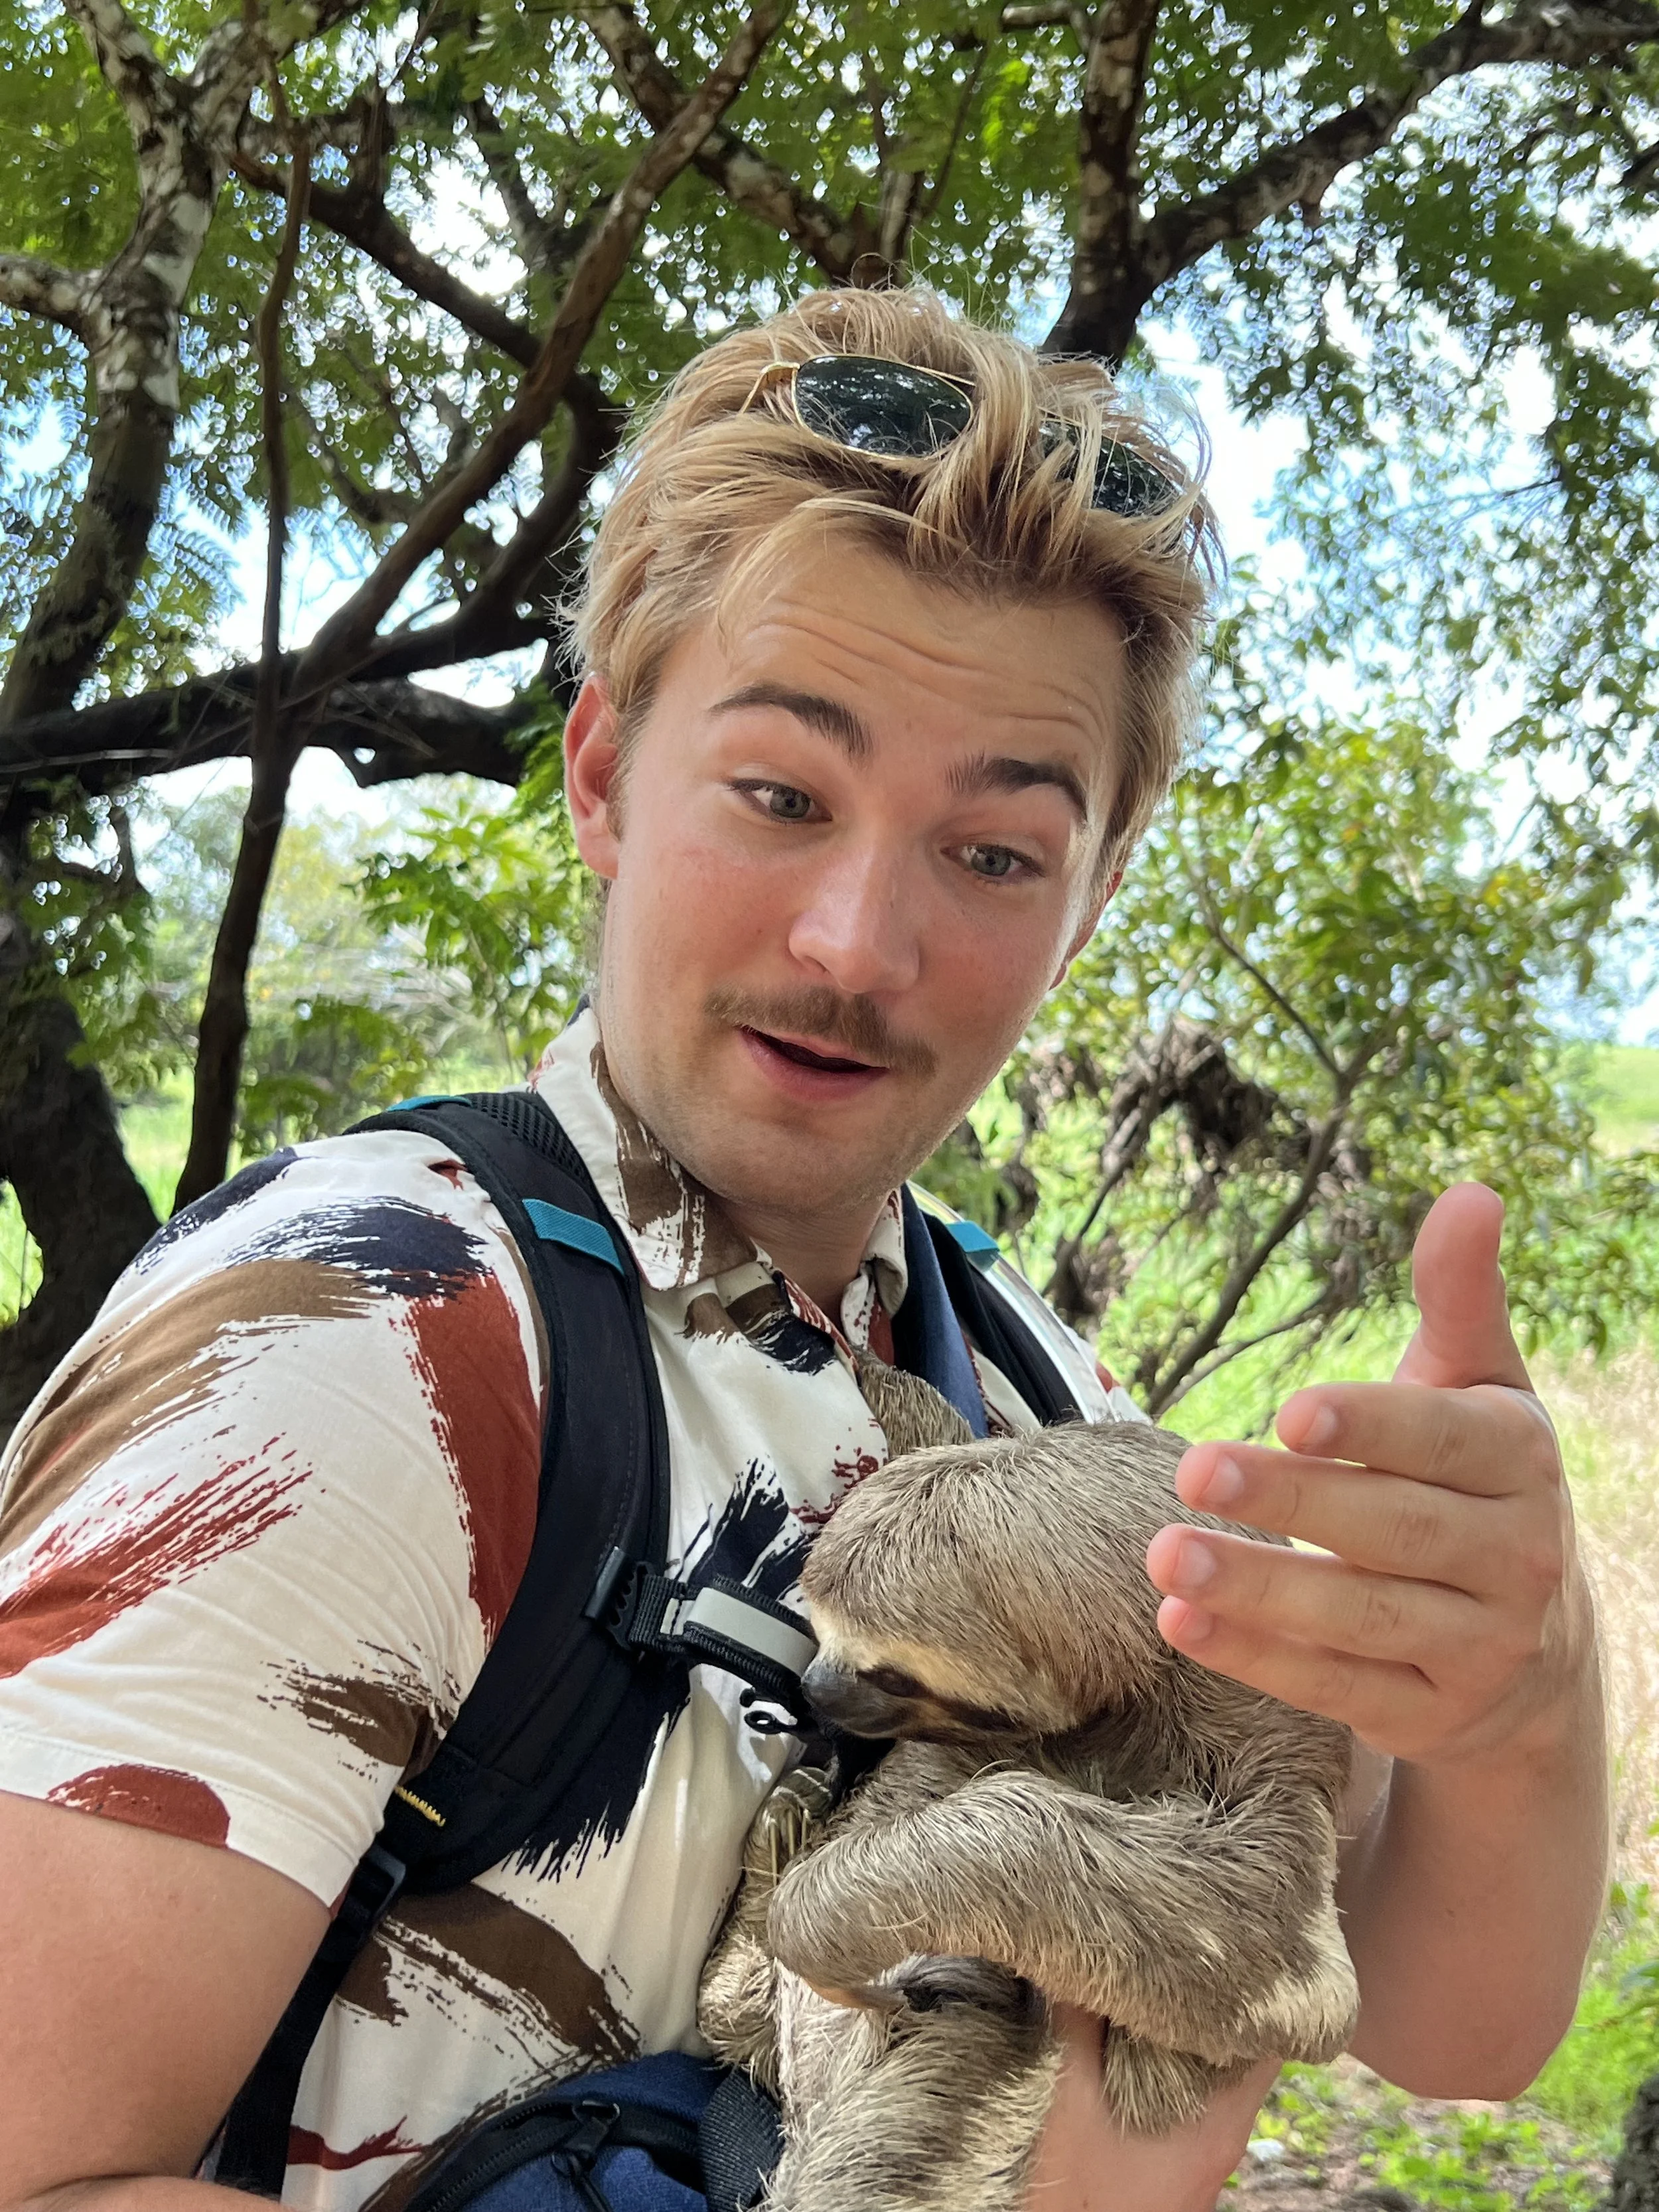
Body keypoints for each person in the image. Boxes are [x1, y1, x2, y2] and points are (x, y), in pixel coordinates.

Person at [0, 287, 1605, 2212]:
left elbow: (1446, 2019)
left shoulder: (1024, 1382)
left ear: (1090, 896)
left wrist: (1517, 1700)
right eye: (780, 794)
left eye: (992, 852)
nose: (858, 941)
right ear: (603, 775)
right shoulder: (360, 1344)